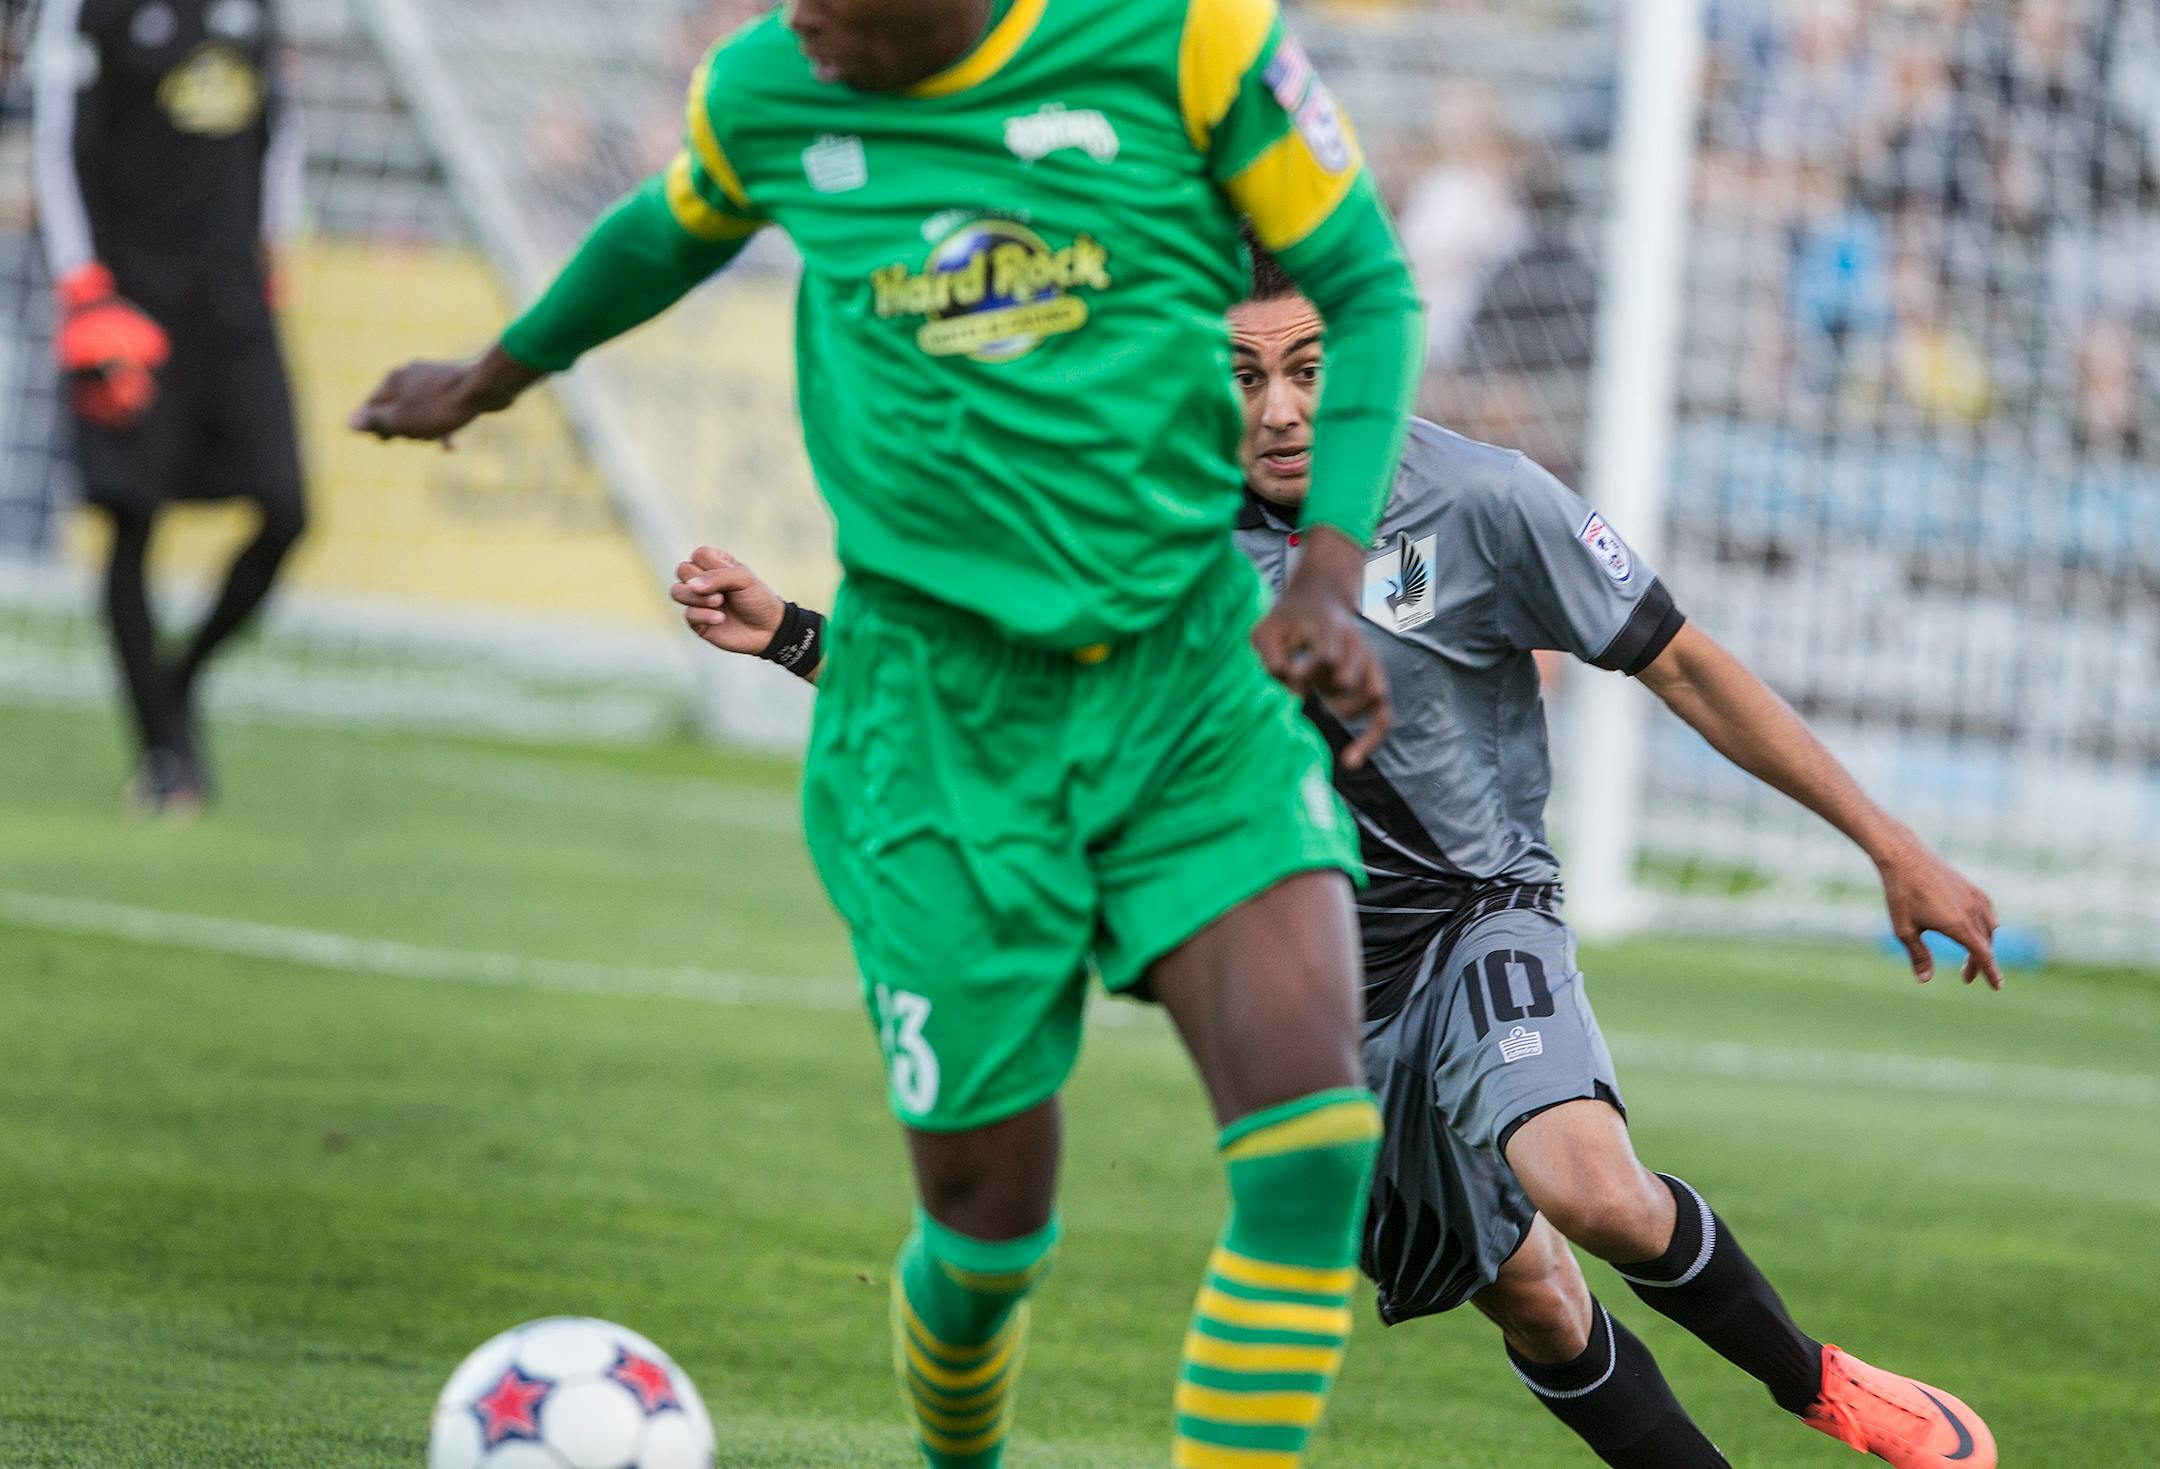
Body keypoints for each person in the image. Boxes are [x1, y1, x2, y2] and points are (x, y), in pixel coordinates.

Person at [672, 240, 2003, 1469]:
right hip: (1304, 993)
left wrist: (1890, 845)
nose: (1282, 409)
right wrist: (792, 631)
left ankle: (1815, 1382)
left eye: (1308, 370)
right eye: (1243, 375)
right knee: (1535, 1300)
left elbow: (1689, 668)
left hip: (1483, 912)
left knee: (1585, 1189)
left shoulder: (1476, 498)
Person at [350, 2, 1425, 1466]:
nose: (796, 14)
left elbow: (1366, 286)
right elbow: (667, 230)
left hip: (1181, 688)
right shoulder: (767, 90)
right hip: (933, 732)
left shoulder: (1188, 37)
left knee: (1310, 1153)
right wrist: (492, 375)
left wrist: (1323, 574)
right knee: (987, 1239)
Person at [32, 0, 307, 811]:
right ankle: (165, 751)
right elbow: (58, 148)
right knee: (132, 517)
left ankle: (176, 682)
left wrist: (275, 248)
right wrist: (83, 288)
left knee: (288, 510)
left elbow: (280, 133)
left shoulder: (257, 10)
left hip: (232, 301)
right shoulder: (87, 10)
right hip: (129, 300)